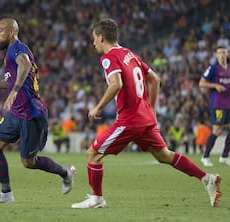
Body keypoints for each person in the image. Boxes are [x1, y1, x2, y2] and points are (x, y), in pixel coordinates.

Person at [71, 18, 221, 209]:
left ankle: (97, 198)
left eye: (94, 38)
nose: (93, 43)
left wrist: (98, 107)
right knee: (164, 156)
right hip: (145, 117)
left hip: (130, 120)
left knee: (93, 153)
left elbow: (116, 84)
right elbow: (155, 79)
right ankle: (207, 179)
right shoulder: (129, 54)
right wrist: (151, 109)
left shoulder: (108, 57)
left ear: (101, 38)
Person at [0, 17, 75, 204]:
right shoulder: (10, 52)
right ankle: (6, 194)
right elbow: (10, 80)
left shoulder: (17, 48)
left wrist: (14, 92)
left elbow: (24, 66)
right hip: (16, 113)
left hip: (31, 113)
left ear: (11, 32)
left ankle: (65, 173)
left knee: (28, 163)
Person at [199, 45, 230, 167]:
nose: (222, 54)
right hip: (218, 104)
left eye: (224, 52)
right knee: (217, 130)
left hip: (229, 104)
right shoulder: (213, 68)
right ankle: (205, 156)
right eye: (219, 52)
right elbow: (201, 83)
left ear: (227, 54)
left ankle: (224, 156)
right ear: (216, 55)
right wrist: (215, 86)